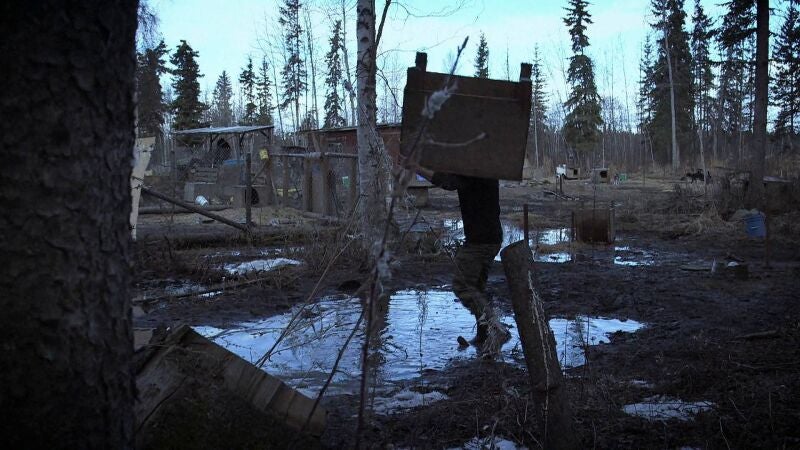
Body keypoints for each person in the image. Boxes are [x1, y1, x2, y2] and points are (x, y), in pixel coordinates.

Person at [418, 167, 509, 347]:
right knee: (477, 288)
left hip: (480, 241)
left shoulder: (474, 167)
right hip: (489, 237)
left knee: (462, 286)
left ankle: (496, 328)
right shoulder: (486, 165)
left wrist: (415, 167)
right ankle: (484, 336)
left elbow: (447, 181)